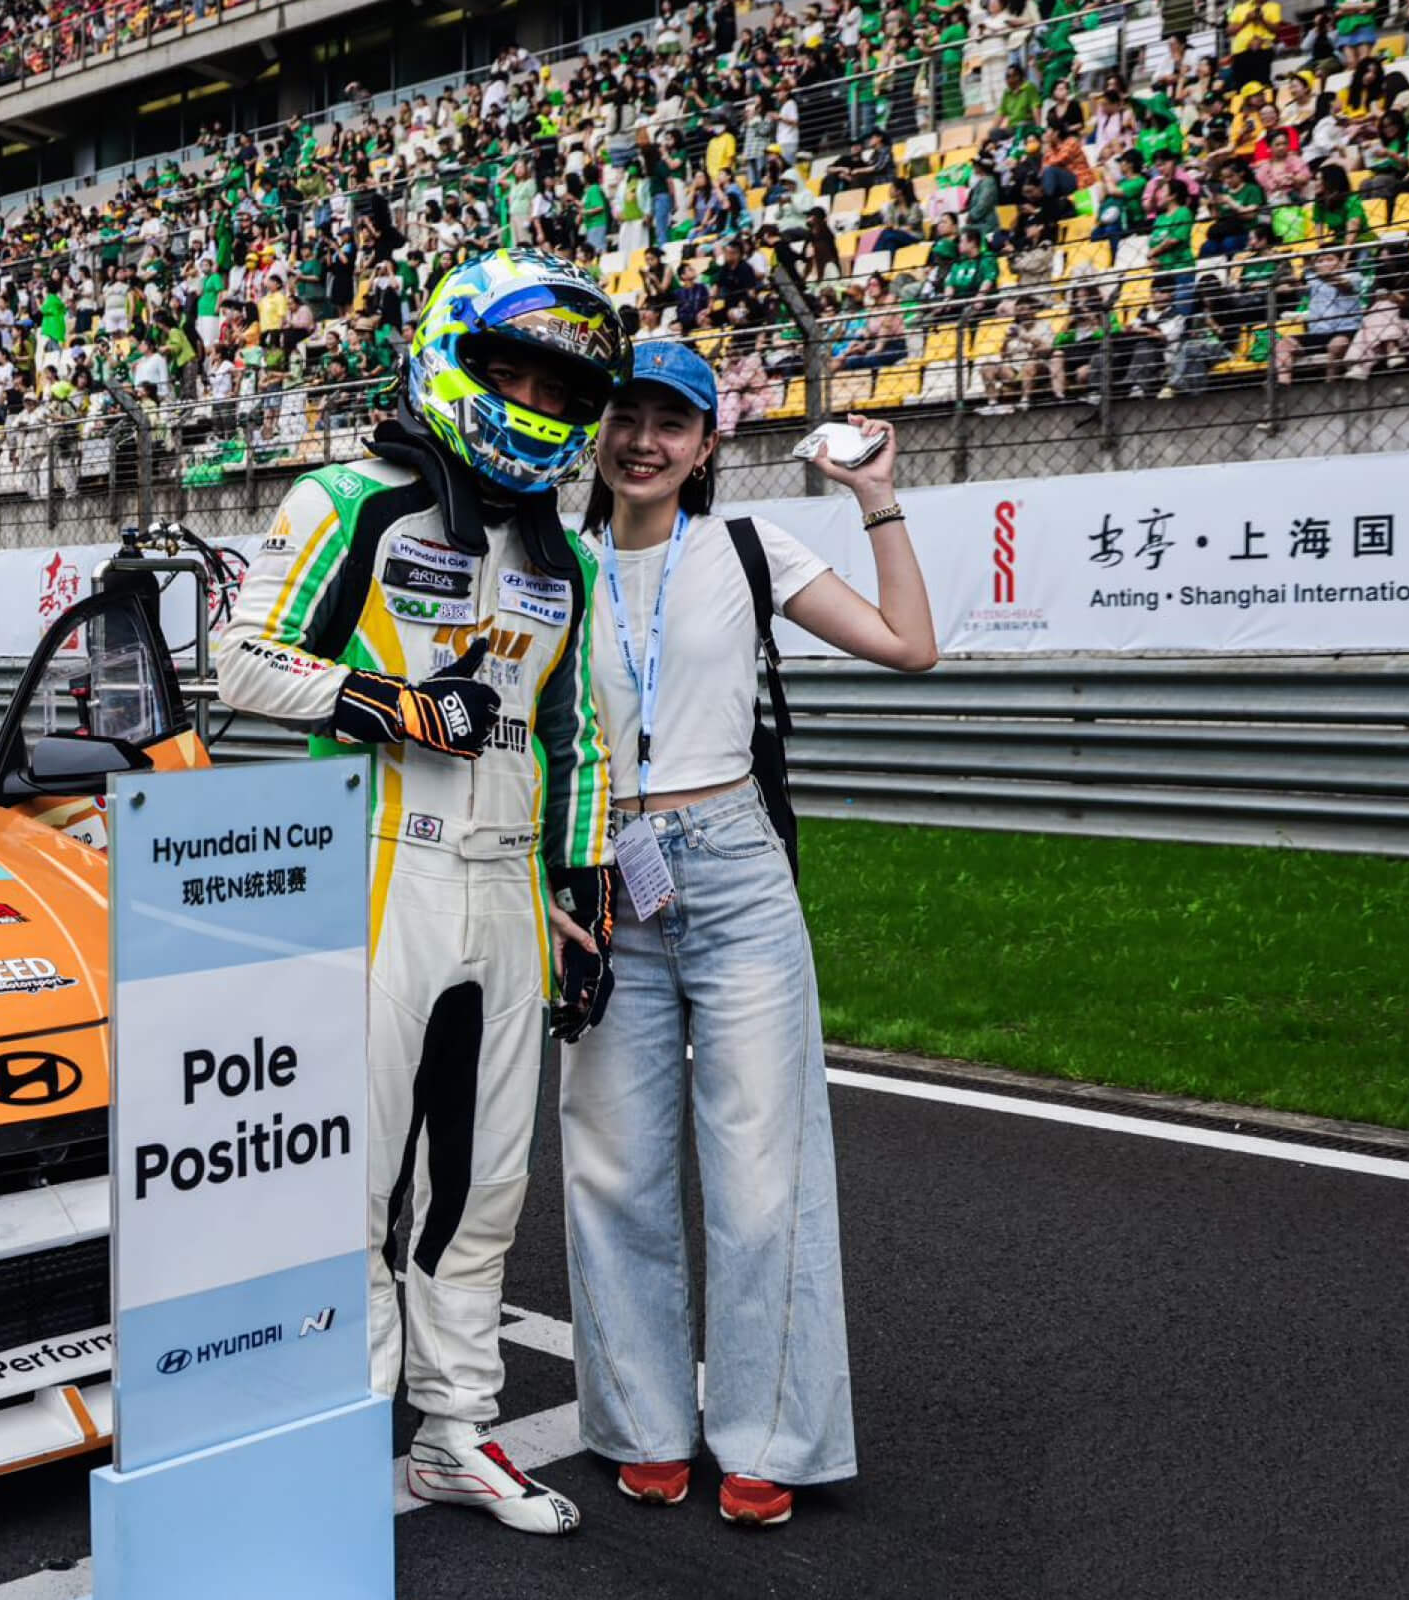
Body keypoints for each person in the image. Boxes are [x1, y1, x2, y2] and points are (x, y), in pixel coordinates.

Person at [216, 250, 626, 1537]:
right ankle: (341, 1431)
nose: (538, 404)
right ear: (453, 358)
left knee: (484, 1186)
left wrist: (585, 884)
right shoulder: (348, 501)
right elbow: (240, 660)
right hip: (374, 873)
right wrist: (390, 703)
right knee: (352, 1180)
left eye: (563, 390)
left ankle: (456, 1433)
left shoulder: (568, 558)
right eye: (515, 375)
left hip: (506, 891)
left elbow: (578, 737)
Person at [558, 342, 937, 1530]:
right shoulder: (554, 563)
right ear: (598, 429)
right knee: (614, 1169)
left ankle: (769, 1437)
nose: (644, 441)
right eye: (626, 416)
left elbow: (909, 644)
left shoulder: (748, 546)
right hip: (605, 880)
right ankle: (642, 1425)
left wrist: (878, 501)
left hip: (733, 870)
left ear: (707, 445)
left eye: (671, 423)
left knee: (764, 1177)